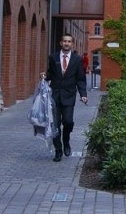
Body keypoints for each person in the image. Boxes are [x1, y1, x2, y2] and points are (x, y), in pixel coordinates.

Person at [45, 33, 88, 162]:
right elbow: (50, 75)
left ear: (72, 44)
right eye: (64, 41)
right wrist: (44, 77)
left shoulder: (77, 59)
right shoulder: (53, 58)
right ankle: (58, 150)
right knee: (55, 124)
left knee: (68, 122)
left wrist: (83, 95)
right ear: (61, 43)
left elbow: (80, 79)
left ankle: (66, 140)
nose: (66, 43)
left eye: (69, 41)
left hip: (69, 96)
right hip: (55, 96)